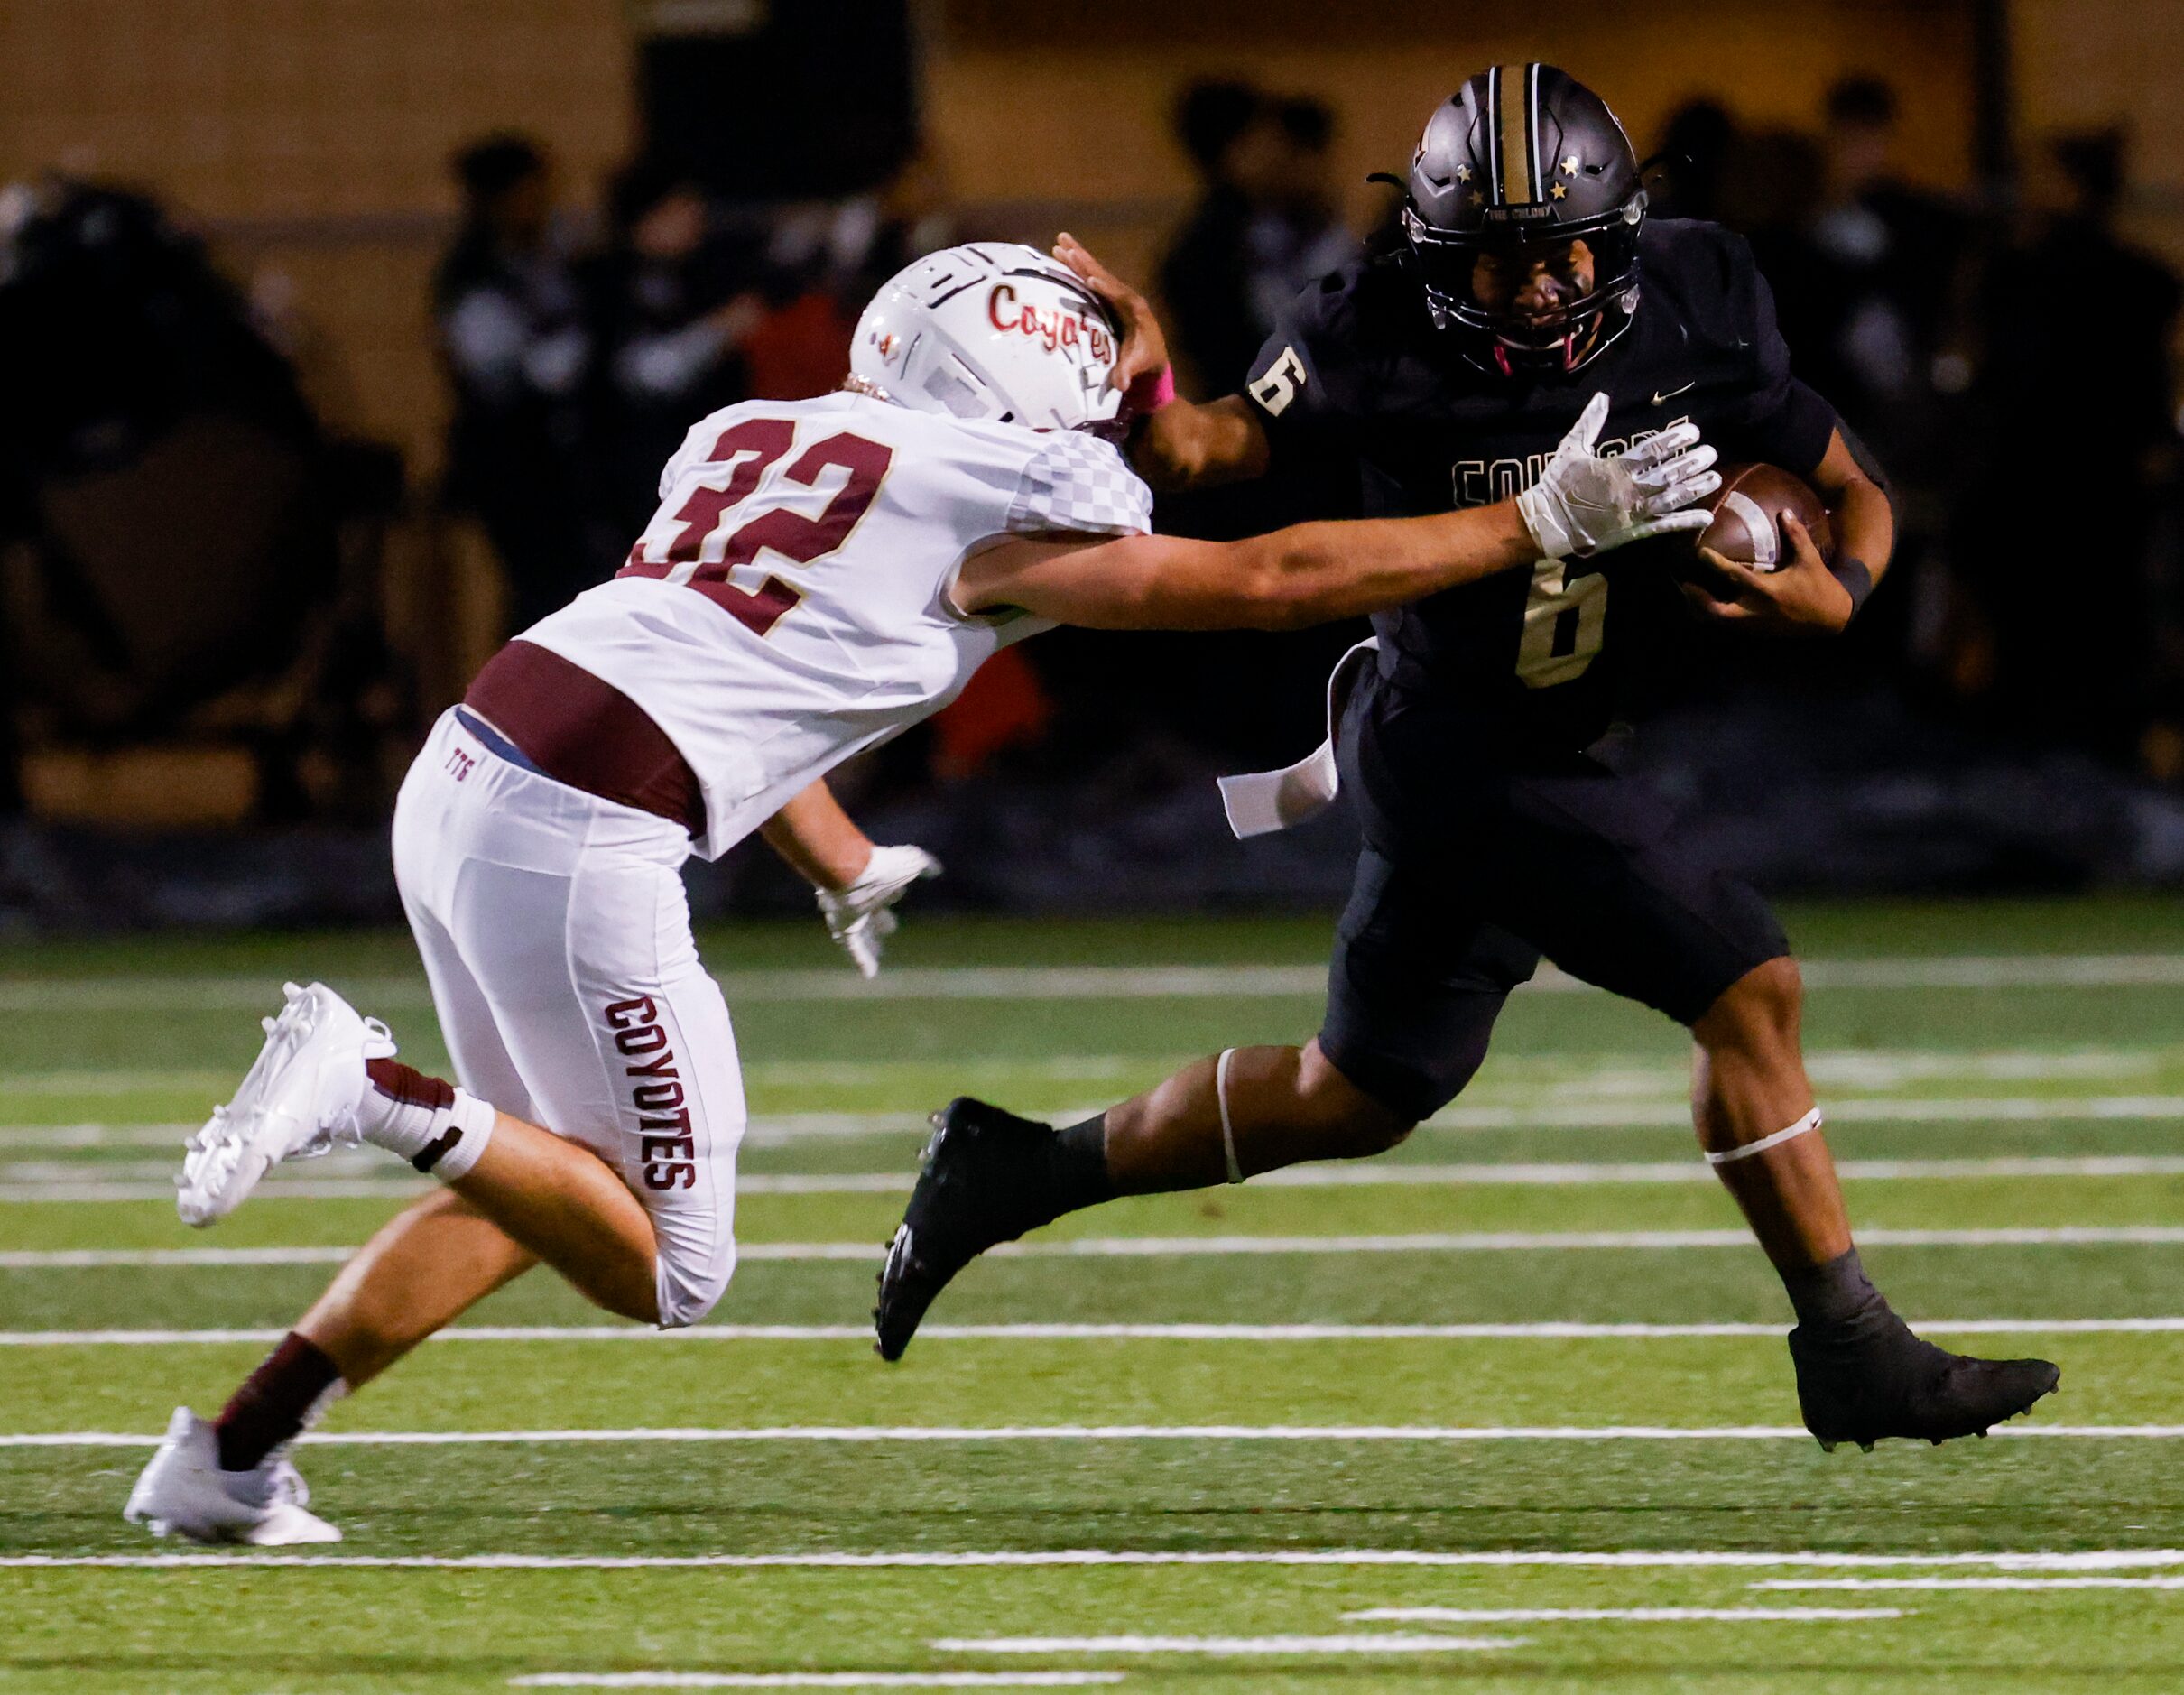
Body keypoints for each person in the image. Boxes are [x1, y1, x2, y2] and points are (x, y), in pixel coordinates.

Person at [122, 240, 1718, 1545]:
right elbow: (1264, 580)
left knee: (553, 1176)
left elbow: (710, 652)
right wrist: (1530, 522)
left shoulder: (761, 438)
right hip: (583, 830)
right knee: (674, 1267)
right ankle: (370, 1084)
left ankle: (231, 1454)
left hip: (472, 760)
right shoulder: (999, 519)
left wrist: (838, 858)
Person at [873, 68, 2062, 1452]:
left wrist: (1840, 589)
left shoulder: (1696, 290)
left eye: (1567, 249)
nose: (1545, 286)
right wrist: (1146, 383)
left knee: (1356, 1092)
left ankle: (1013, 1166)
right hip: (1455, 742)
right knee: (1749, 982)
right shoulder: (1370, 324)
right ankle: (1851, 1346)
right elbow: (1206, 453)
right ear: (1438, 254)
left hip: (1559, 736)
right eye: (1500, 262)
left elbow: (1848, 474)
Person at [434, 134, 597, 635]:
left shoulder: (544, 261)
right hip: (508, 459)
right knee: (536, 588)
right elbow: (502, 371)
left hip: (554, 455)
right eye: (528, 191)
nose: (540, 203)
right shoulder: (472, 278)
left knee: (572, 581)